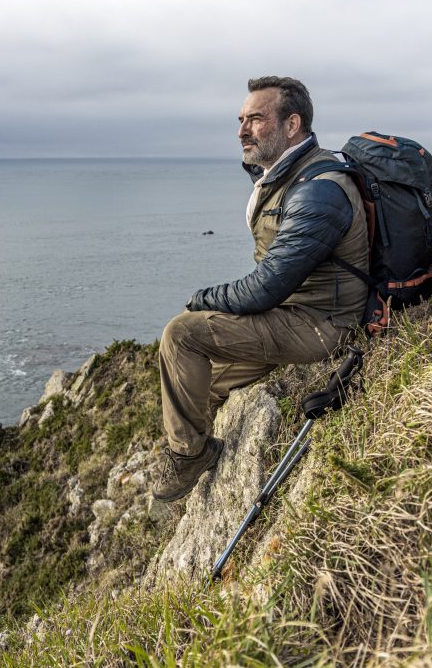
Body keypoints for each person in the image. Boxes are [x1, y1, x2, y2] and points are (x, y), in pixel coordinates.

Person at [151, 76, 369, 502]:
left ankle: (189, 456)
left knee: (181, 335)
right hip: (293, 312)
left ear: (292, 124)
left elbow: (266, 288)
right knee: (198, 386)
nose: (241, 130)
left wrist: (202, 299)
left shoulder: (318, 190)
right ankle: (200, 462)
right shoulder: (285, 174)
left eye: (255, 119)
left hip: (321, 324)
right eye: (240, 120)